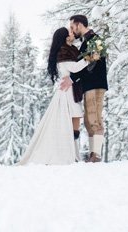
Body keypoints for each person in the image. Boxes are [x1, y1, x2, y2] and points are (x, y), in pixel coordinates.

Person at [18, 27, 95, 165]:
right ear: (65, 37)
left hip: (71, 91)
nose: (72, 33)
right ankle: (67, 152)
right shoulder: (63, 53)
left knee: (75, 118)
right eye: (70, 32)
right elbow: (75, 67)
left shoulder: (69, 50)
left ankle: (72, 152)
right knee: (71, 118)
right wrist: (89, 58)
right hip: (67, 93)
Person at [65, 14, 107, 163]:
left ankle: (96, 155)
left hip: (95, 85)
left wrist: (72, 78)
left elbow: (89, 63)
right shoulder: (85, 43)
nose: (72, 30)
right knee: (89, 121)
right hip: (89, 86)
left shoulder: (95, 40)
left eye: (72, 27)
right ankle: (92, 155)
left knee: (95, 119)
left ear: (79, 24)